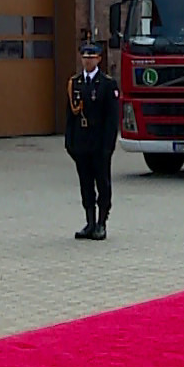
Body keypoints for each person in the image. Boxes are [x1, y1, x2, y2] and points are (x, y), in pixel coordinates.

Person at [66, 42, 121, 241]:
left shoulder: (107, 84)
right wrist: (69, 143)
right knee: (85, 183)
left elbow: (112, 119)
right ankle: (89, 222)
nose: (87, 60)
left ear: (99, 59)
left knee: (102, 183)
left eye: (92, 57)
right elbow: (70, 116)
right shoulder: (76, 83)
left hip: (100, 143)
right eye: (84, 57)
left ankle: (101, 223)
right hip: (81, 142)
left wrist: (108, 146)